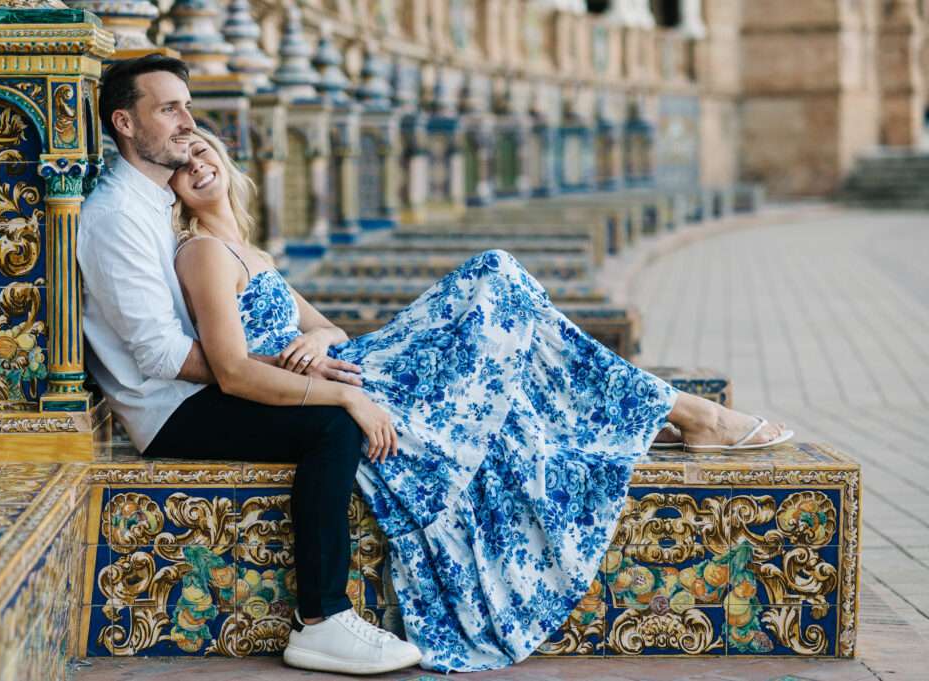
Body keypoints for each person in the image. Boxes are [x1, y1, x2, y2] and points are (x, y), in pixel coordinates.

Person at [166, 123, 793, 672]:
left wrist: (322, 339)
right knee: (497, 279)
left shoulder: (251, 253)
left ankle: (681, 412)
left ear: (226, 158)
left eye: (203, 151)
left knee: (512, 342)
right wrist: (325, 386)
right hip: (338, 386)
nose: (197, 164)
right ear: (171, 190)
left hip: (344, 366)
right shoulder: (201, 252)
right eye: (184, 163)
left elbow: (324, 325)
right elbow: (234, 368)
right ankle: (688, 413)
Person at [78, 55, 422, 675]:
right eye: (168, 108)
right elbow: (162, 356)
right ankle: (322, 620)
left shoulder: (159, 202)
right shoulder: (115, 216)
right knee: (330, 425)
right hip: (170, 411)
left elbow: (263, 328)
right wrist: (300, 382)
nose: (187, 121)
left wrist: (303, 364)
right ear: (124, 123)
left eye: (187, 105)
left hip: (211, 383)